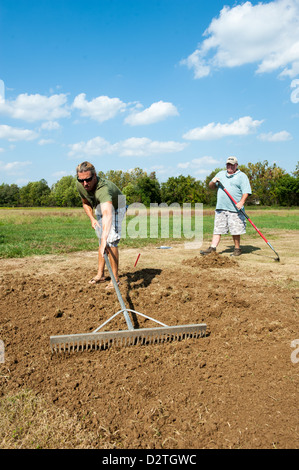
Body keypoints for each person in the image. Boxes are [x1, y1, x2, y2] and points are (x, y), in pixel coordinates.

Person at [76, 161, 126, 287]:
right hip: (100, 206)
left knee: (110, 240)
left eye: (88, 179)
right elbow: (86, 202)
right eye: (81, 180)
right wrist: (92, 218)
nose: (85, 184)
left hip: (116, 206)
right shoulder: (80, 184)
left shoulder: (103, 189)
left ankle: (115, 279)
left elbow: (108, 214)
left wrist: (105, 238)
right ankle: (100, 275)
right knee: (101, 240)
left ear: (95, 175)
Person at [200, 156, 252, 257]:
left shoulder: (242, 176)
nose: (230, 166)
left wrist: (241, 202)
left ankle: (237, 249)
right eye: (228, 164)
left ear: (236, 165)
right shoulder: (220, 174)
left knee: (235, 230)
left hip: (235, 208)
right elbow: (211, 186)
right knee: (217, 229)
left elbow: (246, 191)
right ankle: (212, 248)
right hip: (221, 207)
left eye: (232, 165)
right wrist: (213, 182)